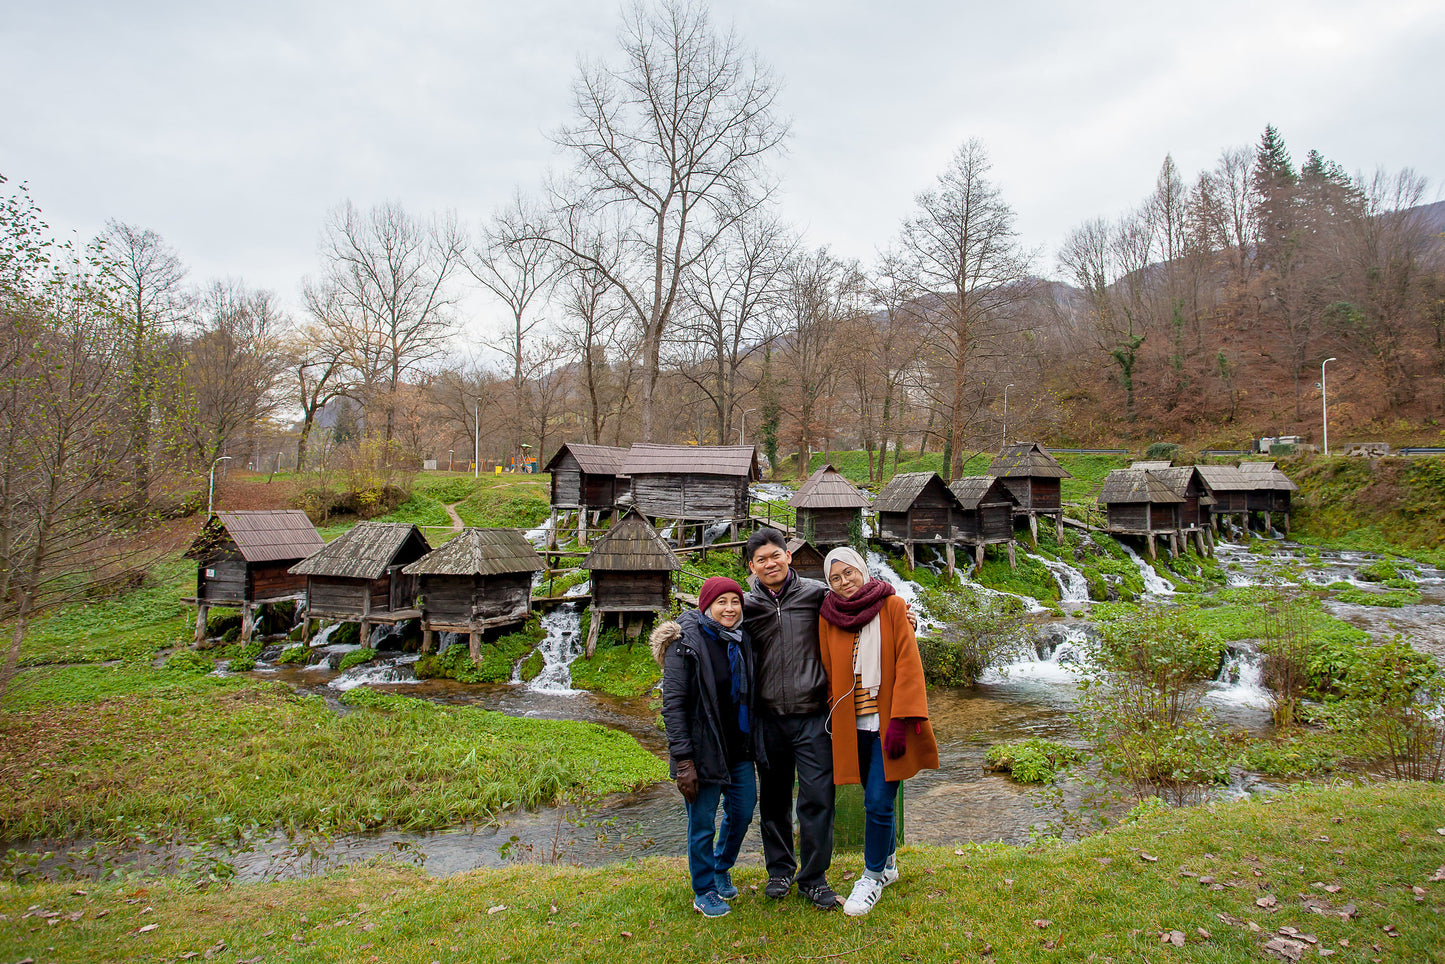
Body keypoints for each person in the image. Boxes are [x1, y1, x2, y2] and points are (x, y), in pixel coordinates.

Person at [817, 546, 939, 917]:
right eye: (835, 578)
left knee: (877, 801)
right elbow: (826, 670)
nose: (844, 583)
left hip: (888, 723)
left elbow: (908, 664)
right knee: (874, 798)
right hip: (852, 725)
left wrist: (903, 721)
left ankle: (870, 878)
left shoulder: (893, 606)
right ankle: (887, 864)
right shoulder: (828, 617)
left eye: (849, 573)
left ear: (862, 569)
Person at [741, 528, 842, 910]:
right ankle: (780, 870)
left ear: (788, 555)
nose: (770, 564)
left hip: (813, 717)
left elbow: (858, 604)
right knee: (774, 800)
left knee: (817, 798)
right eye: (761, 560)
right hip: (768, 719)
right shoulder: (746, 606)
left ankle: (814, 879)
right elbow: (709, 625)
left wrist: (903, 616)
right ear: (752, 567)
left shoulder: (817, 595)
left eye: (775, 556)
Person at [652, 576, 758, 918]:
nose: (729, 609)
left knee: (742, 810)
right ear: (706, 605)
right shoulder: (685, 643)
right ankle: (704, 890)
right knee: (702, 823)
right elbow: (673, 704)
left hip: (738, 746)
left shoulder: (741, 638)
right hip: (702, 750)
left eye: (735, 601)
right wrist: (683, 761)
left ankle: (720, 865)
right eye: (721, 602)